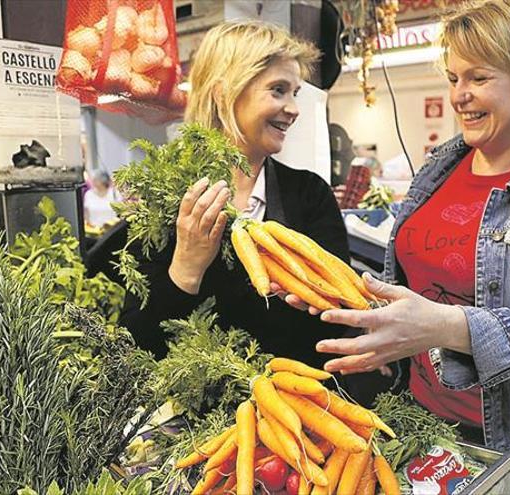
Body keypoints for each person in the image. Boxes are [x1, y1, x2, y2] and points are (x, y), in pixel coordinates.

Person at [288, 1, 510, 493]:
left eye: (479, 78)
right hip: (420, 417)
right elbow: (418, 280)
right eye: (453, 78)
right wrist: (357, 310)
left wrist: (442, 327)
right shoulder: (441, 166)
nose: (459, 96)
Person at [119, 21, 350, 369]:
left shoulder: (309, 195)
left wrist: (318, 298)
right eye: (278, 90)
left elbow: (344, 318)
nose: (294, 108)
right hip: (192, 416)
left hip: (297, 406)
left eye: (295, 93)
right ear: (225, 93)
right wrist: (185, 267)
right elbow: (135, 346)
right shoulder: (164, 201)